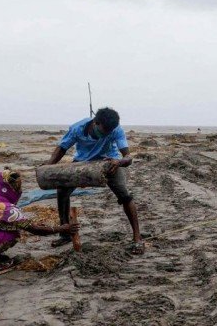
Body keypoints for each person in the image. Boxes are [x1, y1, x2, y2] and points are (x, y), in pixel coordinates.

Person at [47, 107, 144, 254]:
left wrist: (119, 162)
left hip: (109, 162)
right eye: (104, 131)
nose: (106, 134)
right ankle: (65, 233)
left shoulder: (116, 129)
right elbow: (62, 148)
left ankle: (137, 237)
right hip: (82, 162)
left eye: (109, 132)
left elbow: (128, 157)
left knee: (125, 196)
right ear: (95, 122)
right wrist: (49, 167)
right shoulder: (77, 128)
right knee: (62, 191)